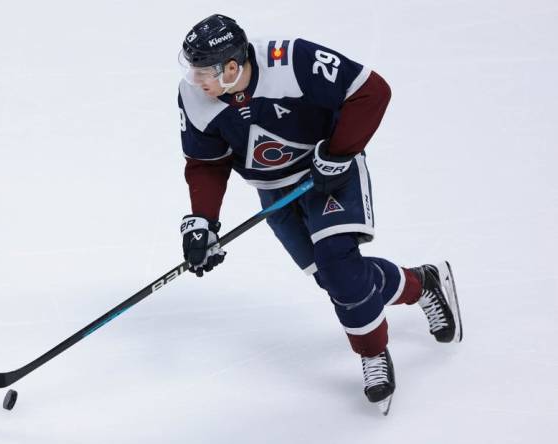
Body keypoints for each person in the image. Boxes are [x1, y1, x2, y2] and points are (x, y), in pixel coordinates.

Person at [176, 14, 463, 414]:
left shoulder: (291, 60)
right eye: (191, 69)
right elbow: (207, 162)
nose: (196, 80)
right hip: (274, 192)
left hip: (327, 173)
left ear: (231, 67)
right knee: (335, 281)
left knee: (341, 270)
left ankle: (372, 354)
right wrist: (203, 221)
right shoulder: (194, 97)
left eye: (204, 71)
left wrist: (338, 153)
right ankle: (422, 283)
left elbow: (372, 92)